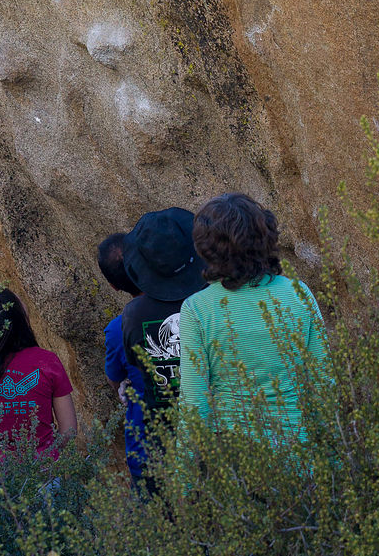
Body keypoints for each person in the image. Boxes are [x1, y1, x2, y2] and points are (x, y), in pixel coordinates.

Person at [179, 193, 331, 442]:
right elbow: (324, 383)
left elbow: (194, 405)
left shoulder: (197, 310)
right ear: (264, 236)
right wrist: (335, 462)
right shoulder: (298, 293)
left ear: (205, 248)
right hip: (300, 450)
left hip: (238, 460)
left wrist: (183, 478)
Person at [0, 289, 76, 466]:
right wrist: (45, 455)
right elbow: (68, 431)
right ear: (20, 320)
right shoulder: (48, 362)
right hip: (41, 470)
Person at [120, 207, 206, 422]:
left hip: (166, 434)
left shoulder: (134, 315)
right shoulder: (218, 301)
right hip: (222, 430)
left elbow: (137, 365)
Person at [97, 232, 147, 482]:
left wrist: (124, 385)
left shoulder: (118, 330)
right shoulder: (191, 307)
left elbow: (114, 378)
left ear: (113, 286)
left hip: (147, 444)